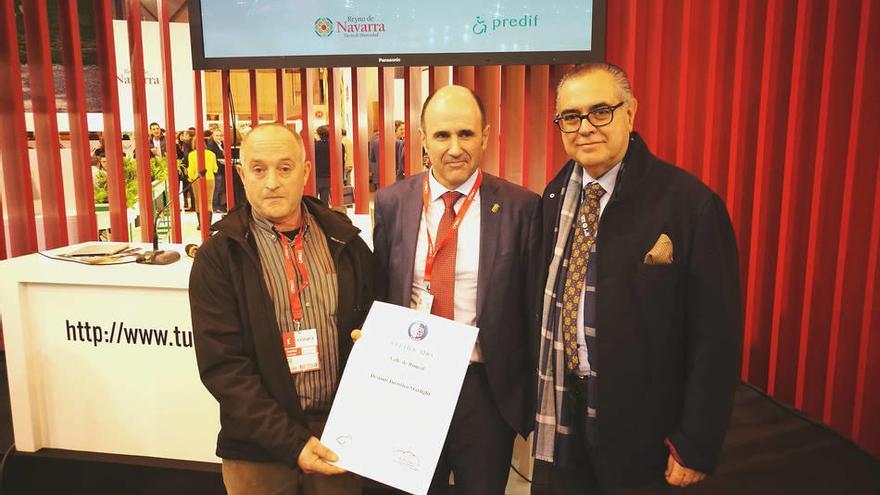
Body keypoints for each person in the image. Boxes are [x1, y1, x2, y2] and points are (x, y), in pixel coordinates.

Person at [532, 63, 741, 494]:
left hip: (643, 432)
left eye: (600, 111)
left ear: (630, 113)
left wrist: (695, 443)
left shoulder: (689, 206)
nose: (585, 127)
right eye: (570, 117)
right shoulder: (555, 197)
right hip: (565, 410)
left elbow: (717, 337)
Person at [189, 123, 379, 495]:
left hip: (337, 440)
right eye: (259, 169)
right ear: (242, 175)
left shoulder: (346, 243)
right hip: (257, 449)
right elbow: (224, 368)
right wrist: (291, 442)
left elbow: (376, 327)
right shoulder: (219, 257)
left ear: (305, 172)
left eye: (285, 168)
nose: (272, 182)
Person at [372, 85, 540, 494]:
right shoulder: (392, 203)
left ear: (485, 136)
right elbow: (382, 288)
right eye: (442, 135)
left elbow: (531, 304)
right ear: (423, 139)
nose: (454, 148)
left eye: (465, 134)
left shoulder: (521, 207)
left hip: (483, 388)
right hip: (410, 380)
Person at [207, 129, 228, 213]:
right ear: (213, 136)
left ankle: (219, 205)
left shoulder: (221, 144)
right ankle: (215, 206)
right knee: (216, 189)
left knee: (220, 189)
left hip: (221, 168)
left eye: (220, 135)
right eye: (217, 135)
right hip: (216, 169)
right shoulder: (211, 145)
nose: (219, 137)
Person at [177, 131, 195, 211]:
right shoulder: (186, 144)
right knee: (188, 186)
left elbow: (186, 157)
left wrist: (185, 167)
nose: (182, 137)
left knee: (190, 186)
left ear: (189, 136)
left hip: (189, 168)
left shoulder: (187, 144)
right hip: (189, 167)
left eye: (184, 135)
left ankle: (193, 205)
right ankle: (190, 204)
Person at [313, 125, 331, 206]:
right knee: (325, 201)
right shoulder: (335, 145)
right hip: (328, 176)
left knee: (313, 201)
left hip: (316, 176)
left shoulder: (314, 146)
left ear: (318, 134)